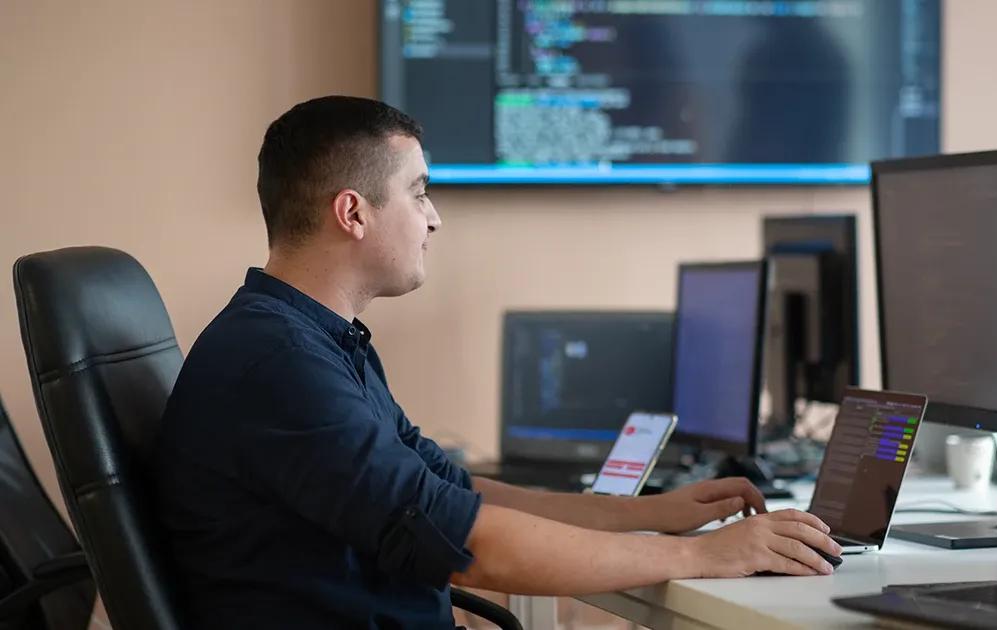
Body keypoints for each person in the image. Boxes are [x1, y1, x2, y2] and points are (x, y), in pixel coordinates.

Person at [154, 95, 841, 629]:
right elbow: (473, 546)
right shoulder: (279, 364)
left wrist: (652, 515)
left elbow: (458, 493)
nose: (434, 218)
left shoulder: (316, 340)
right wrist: (707, 555)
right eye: (418, 192)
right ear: (352, 213)